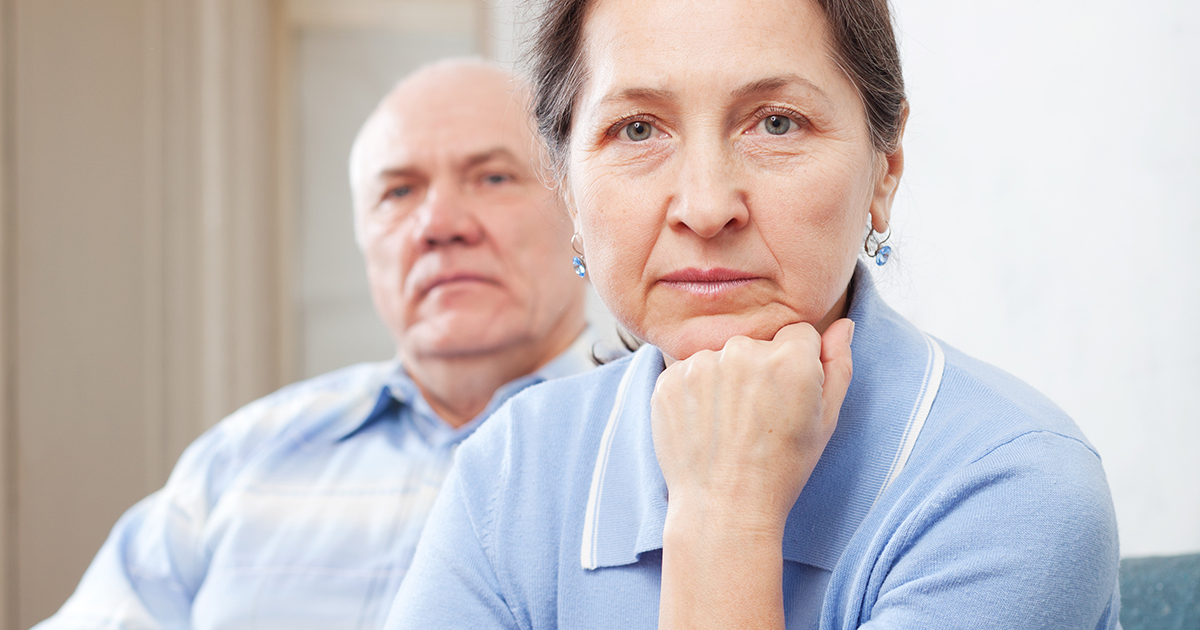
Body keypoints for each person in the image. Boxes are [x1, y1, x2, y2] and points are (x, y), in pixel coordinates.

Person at [384, 0, 1121, 628]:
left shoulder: (1012, 484)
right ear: (570, 193)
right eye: (638, 129)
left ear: (884, 169)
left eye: (776, 124)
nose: (706, 207)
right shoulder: (510, 470)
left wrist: (722, 513)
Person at [35, 58, 592, 629]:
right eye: (399, 191)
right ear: (364, 240)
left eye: (493, 177)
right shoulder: (238, 460)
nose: (438, 223)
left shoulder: (650, 443)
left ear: (580, 209)